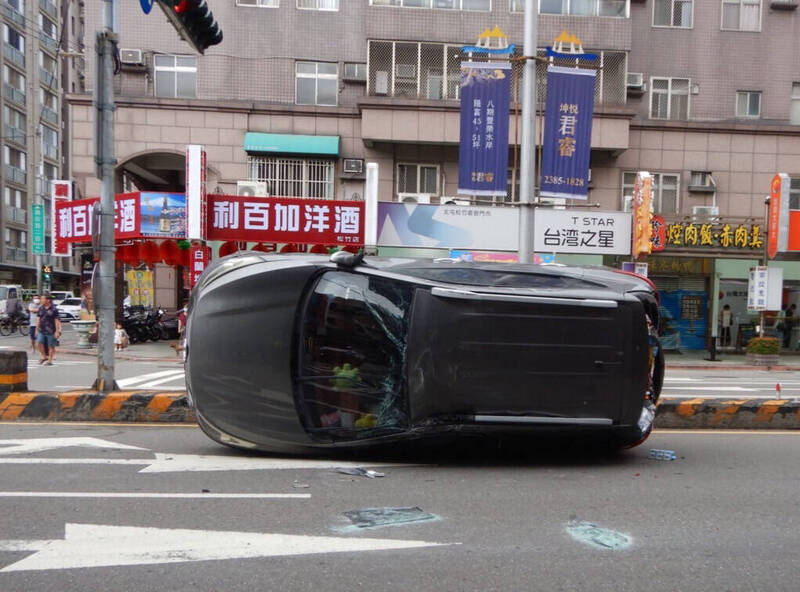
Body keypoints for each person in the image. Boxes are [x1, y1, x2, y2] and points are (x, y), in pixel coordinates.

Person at [35, 293, 61, 366]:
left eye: (43, 299)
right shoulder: (41, 308)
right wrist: (36, 329)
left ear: (48, 300)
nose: (41, 300)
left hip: (51, 330)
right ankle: (44, 357)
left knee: (51, 346)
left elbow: (57, 320)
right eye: (41, 299)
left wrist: (57, 331)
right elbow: (38, 319)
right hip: (42, 329)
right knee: (39, 342)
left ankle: (50, 360)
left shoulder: (54, 309)